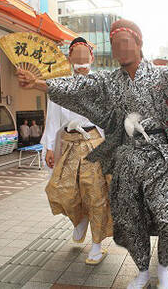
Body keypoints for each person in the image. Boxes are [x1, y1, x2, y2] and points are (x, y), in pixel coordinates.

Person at [16, 18, 168, 289]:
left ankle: (165, 269)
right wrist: (40, 84)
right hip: (128, 158)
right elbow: (80, 87)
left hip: (165, 157)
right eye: (114, 45)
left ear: (139, 44)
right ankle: (143, 270)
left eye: (124, 43)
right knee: (130, 218)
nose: (120, 50)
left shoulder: (162, 75)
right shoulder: (109, 81)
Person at [41, 37, 113, 265]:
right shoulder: (60, 84)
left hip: (93, 143)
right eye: (76, 55)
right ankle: (79, 220)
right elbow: (52, 119)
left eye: (85, 55)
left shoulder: (101, 84)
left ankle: (97, 244)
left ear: (92, 57)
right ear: (70, 58)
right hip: (68, 144)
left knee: (96, 195)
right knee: (62, 190)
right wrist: (50, 147)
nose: (81, 59)